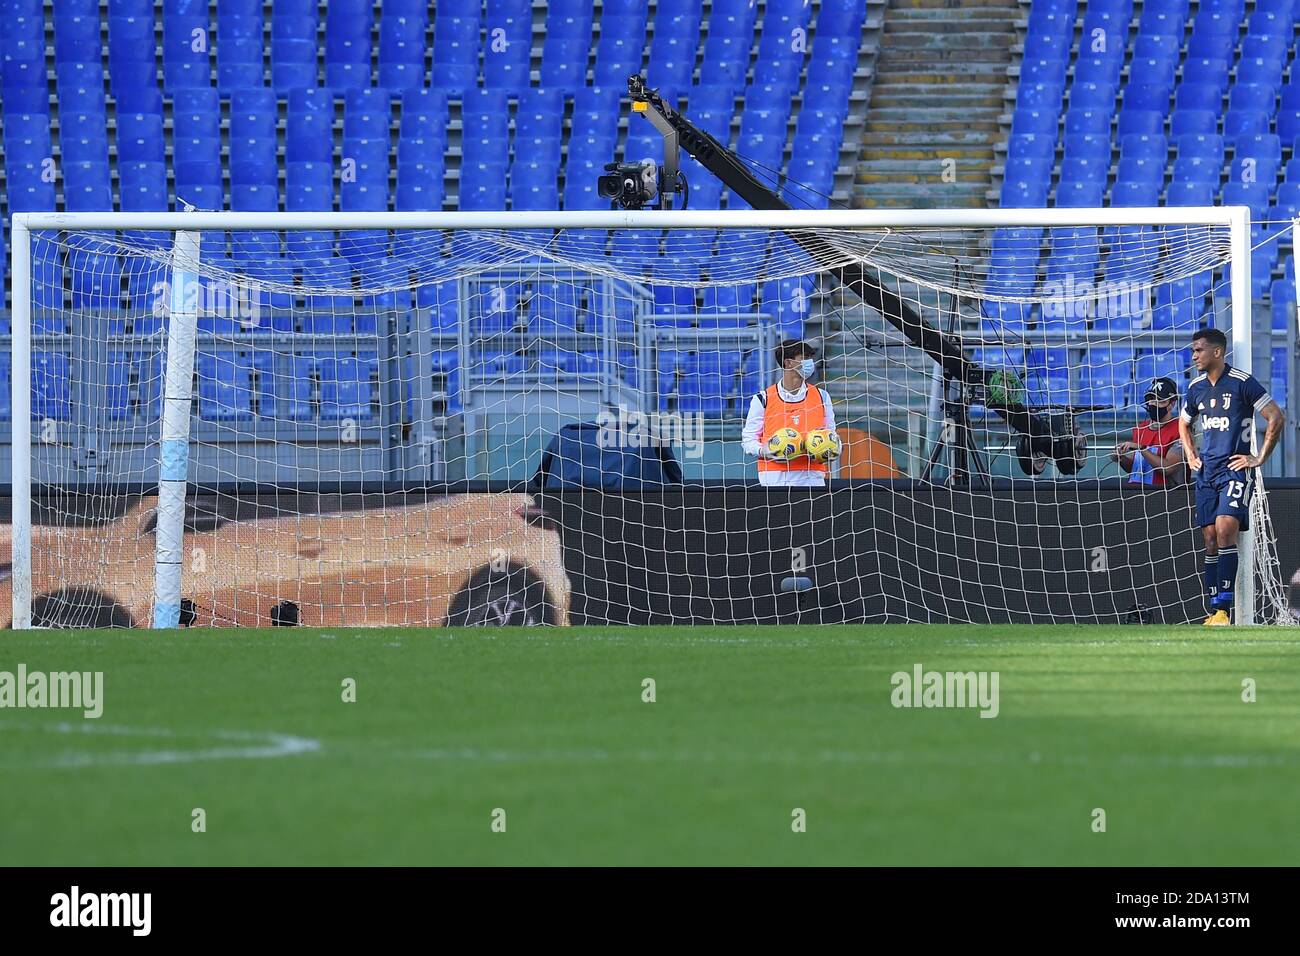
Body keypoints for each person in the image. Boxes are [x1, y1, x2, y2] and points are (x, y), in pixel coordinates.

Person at [1177, 328, 1287, 626]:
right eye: (1193, 351)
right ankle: (1215, 610)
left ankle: (1224, 611)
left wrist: (1259, 457)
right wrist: (1189, 455)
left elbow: (1276, 417)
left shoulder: (1242, 382)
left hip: (1234, 470)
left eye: (1199, 350)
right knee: (1210, 538)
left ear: (1217, 352)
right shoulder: (1196, 387)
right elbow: (1183, 424)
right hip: (1206, 472)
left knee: (1226, 530)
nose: (1194, 355)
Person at [741, 339, 840, 487]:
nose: (810, 363)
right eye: (804, 358)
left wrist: (832, 447)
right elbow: (748, 440)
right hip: (774, 475)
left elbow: (831, 434)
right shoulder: (763, 399)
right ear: (788, 363)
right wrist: (764, 451)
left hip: (811, 475)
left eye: (810, 358)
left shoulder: (822, 396)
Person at [1111, 377, 1186, 487]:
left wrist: (1142, 448)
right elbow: (1136, 469)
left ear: (1172, 404)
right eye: (1151, 399)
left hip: (1170, 497)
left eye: (1160, 401)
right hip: (1137, 494)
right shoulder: (1140, 429)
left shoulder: (1181, 429)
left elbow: (1167, 468)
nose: (1153, 404)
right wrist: (1121, 459)